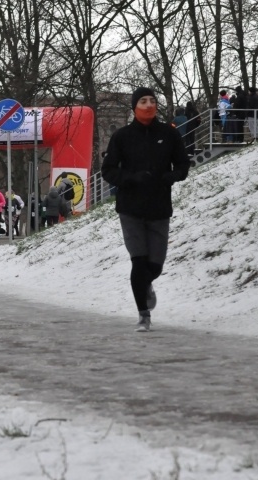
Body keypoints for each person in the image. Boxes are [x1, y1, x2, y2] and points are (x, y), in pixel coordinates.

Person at [101, 87, 190, 332]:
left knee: (155, 266)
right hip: (130, 208)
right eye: (143, 101)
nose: (149, 105)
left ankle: (145, 284)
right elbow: (108, 170)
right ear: (134, 107)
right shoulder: (122, 136)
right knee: (138, 262)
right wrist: (132, 178)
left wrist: (170, 177)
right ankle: (143, 315)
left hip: (159, 207)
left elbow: (183, 165)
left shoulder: (169, 134)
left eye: (152, 100)